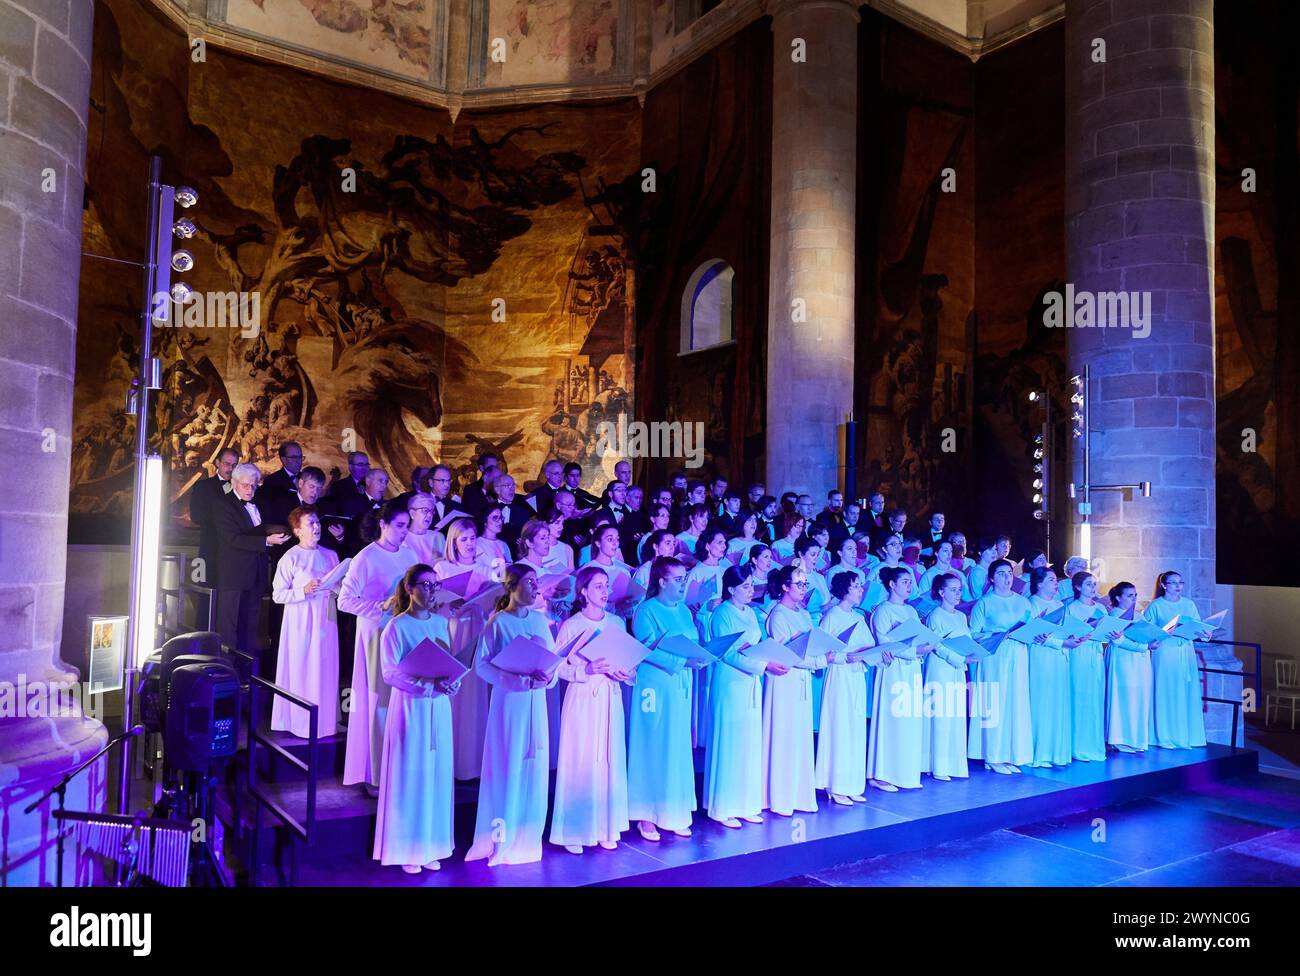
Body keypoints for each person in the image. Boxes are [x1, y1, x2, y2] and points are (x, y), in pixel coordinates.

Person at [466, 565, 558, 866]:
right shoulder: (498, 622)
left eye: (537, 583)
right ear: (512, 586)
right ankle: (500, 840)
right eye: (529, 582)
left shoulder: (540, 620)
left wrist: (547, 678)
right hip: (510, 704)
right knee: (507, 767)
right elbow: (482, 665)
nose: (536, 587)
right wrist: (514, 679)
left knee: (533, 768)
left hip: (535, 703)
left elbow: (553, 661)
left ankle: (528, 839)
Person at [373, 565, 460, 874]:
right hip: (411, 707)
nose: (431, 590)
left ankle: (431, 844)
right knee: (411, 774)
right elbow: (390, 672)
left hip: (438, 707)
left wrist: (452, 682)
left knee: (435, 773)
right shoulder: (396, 627)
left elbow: (448, 663)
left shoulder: (440, 623)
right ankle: (408, 847)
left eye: (435, 585)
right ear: (409, 589)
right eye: (425, 584)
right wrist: (426, 685)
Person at [549, 566, 634, 853]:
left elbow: (625, 658)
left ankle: (605, 826)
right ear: (583, 591)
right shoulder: (571, 625)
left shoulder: (616, 623)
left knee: (609, 758)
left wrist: (624, 672)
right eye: (598, 586)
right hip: (583, 696)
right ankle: (575, 829)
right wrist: (585, 668)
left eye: (606, 585)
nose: (604, 591)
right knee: (582, 760)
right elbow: (556, 666)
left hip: (610, 695)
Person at [338, 500, 418, 791]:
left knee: (401, 698)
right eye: (399, 526)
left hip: (404, 633)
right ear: (383, 525)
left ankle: (400, 767)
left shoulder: (410, 554)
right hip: (375, 634)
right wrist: (381, 607)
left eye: (407, 526)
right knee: (378, 699)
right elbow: (344, 601)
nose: (404, 532)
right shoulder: (366, 557)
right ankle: (375, 772)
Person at [628, 557, 705, 841]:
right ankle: (647, 814)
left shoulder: (684, 610)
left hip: (680, 685)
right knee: (652, 744)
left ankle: (674, 812)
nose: (684, 584)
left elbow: (691, 641)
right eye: (679, 579)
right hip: (655, 685)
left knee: (676, 746)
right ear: (661, 581)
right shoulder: (646, 610)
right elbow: (647, 648)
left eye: (685, 579)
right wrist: (683, 662)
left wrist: (698, 657)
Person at [704, 565, 783, 827]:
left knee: (748, 741)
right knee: (730, 741)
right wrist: (764, 666)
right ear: (730, 589)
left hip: (751, 681)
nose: (751, 591)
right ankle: (723, 806)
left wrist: (767, 658)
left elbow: (755, 645)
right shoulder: (721, 614)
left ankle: (746, 802)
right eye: (745, 587)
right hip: (731, 681)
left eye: (752, 585)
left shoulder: (750, 612)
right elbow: (728, 652)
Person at [762, 566, 831, 816]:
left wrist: (820, 654)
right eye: (799, 584)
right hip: (784, 680)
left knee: (800, 738)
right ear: (784, 586)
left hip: (801, 681)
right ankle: (779, 798)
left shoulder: (803, 614)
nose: (803, 589)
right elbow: (787, 655)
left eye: (805, 584)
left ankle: (799, 795)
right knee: (783, 736)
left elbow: (809, 645)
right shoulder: (778, 615)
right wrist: (822, 660)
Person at [270, 505, 341, 738]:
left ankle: (325, 722)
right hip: (300, 622)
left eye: (317, 522)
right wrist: (303, 590)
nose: (317, 527)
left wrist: (336, 588)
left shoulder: (330, 555)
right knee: (302, 668)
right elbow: (278, 595)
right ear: (298, 530)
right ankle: (298, 722)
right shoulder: (290, 557)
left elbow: (339, 588)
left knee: (325, 667)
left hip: (326, 620)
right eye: (310, 523)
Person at [967, 559, 1037, 774]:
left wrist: (1036, 634)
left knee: (1016, 703)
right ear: (991, 578)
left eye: (1009, 573)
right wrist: (995, 634)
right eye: (1001, 574)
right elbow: (972, 633)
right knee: (996, 702)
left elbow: (1031, 627)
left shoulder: (1024, 602)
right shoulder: (985, 603)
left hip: (1019, 653)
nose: (1007, 578)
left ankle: (1013, 753)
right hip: (995, 655)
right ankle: (993, 755)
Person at [867, 567, 933, 792]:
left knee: (909, 719)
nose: (909, 585)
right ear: (892, 585)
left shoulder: (912, 612)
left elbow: (919, 638)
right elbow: (885, 643)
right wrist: (914, 650)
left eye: (910, 581)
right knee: (891, 718)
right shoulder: (883, 610)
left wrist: (925, 647)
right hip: (892, 669)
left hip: (912, 669)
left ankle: (906, 771)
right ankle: (882, 773)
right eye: (904, 581)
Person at [437, 517, 492, 781]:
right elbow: (434, 604)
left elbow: (497, 602)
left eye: (473, 539)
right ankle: (451, 760)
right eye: (464, 539)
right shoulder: (442, 568)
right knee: (454, 694)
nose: (469, 544)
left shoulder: (485, 568)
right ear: (454, 542)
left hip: (478, 631)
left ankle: (474, 762)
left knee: (476, 696)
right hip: (453, 632)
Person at [214, 463, 289, 655]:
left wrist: (276, 536)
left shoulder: (260, 503)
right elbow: (232, 539)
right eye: (245, 485)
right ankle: (227, 671)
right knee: (229, 627)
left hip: (257, 573)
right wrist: (266, 540)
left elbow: (262, 529)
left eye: (254, 485)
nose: (250, 489)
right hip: (233, 576)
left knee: (250, 626)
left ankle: (246, 672)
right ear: (233, 482)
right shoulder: (223, 504)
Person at [815, 572, 872, 803]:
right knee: (839, 727)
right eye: (856, 586)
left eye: (860, 586)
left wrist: (869, 654)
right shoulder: (832, 616)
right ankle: (835, 785)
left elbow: (869, 644)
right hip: (839, 675)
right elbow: (823, 649)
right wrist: (844, 657)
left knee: (855, 729)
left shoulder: (858, 617)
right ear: (844, 589)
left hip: (856, 676)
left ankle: (851, 784)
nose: (860, 590)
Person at [1144, 571, 1210, 749]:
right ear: (1164, 585)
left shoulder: (1189, 604)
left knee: (1185, 691)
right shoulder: (1156, 605)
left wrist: (1205, 633)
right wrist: (1163, 632)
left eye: (1180, 582)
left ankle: (1187, 736)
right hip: (1165, 652)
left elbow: (1197, 625)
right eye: (1173, 583)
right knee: (1167, 690)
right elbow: (1146, 631)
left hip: (1185, 651)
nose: (1178, 586)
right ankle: (1164, 735)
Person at [923, 573, 977, 781]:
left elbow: (968, 640)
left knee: (955, 716)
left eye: (959, 589)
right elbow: (937, 645)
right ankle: (938, 765)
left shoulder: (961, 616)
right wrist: (960, 659)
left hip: (957, 669)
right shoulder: (935, 615)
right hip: (941, 669)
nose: (957, 594)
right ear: (941, 592)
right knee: (941, 716)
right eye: (953, 590)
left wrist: (974, 654)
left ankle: (954, 764)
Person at [1026, 566, 1074, 769]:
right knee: (1042, 702)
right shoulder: (1031, 604)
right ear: (1039, 583)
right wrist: (1060, 642)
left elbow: (1065, 629)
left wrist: (1072, 637)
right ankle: (1040, 752)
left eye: (1056, 581)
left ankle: (1057, 752)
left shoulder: (1059, 604)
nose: (1056, 584)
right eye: (1052, 580)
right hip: (1041, 657)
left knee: (1057, 702)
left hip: (1059, 658)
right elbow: (1035, 635)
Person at [1105, 581, 1157, 753]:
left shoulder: (1139, 616)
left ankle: (1136, 738)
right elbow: (1118, 641)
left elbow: (1146, 634)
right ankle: (1119, 738)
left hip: (1140, 661)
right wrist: (1144, 646)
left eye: (1135, 595)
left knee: (1139, 697)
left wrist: (1155, 638)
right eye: (1129, 596)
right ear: (1118, 598)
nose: (1134, 599)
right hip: (1123, 661)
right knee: (1123, 697)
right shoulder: (1114, 615)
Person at [1065, 572, 1110, 763]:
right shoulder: (1071, 608)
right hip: (1079, 654)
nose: (1093, 588)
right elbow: (1066, 632)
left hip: (1095, 654)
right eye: (1089, 584)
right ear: (1077, 587)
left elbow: (1107, 633)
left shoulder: (1101, 608)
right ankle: (1077, 746)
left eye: (1094, 584)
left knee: (1095, 699)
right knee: (1079, 697)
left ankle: (1094, 746)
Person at [189, 447, 239, 589]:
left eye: (234, 465)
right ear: (217, 463)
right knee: (207, 595)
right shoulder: (203, 487)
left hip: (235, 555)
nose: (230, 468)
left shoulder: (242, 488)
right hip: (211, 551)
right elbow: (196, 516)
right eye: (226, 464)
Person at [401, 492, 446, 565]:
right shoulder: (401, 538)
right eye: (425, 510)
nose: (429, 515)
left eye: (432, 511)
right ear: (412, 513)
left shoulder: (438, 537)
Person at [256, 441, 304, 506]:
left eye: (300, 456)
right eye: (294, 457)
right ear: (283, 459)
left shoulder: (306, 478)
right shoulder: (272, 481)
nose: (298, 461)